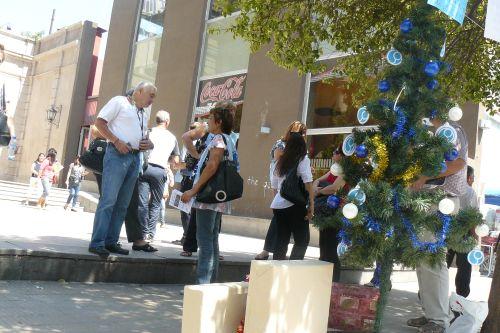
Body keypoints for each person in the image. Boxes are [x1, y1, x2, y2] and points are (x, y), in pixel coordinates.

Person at [409, 119, 468, 333]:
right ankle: (431, 313)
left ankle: (439, 319)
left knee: (432, 259)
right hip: (430, 201)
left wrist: (424, 177)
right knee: (423, 260)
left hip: (441, 201)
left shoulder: (452, 129)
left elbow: (458, 163)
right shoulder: (433, 132)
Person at [88, 81, 155, 258]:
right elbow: (100, 123)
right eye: (151, 95)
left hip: (135, 157)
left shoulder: (144, 112)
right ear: (140, 91)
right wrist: (116, 141)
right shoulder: (120, 102)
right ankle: (97, 242)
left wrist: (149, 143)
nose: (152, 100)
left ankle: (111, 241)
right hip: (117, 155)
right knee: (109, 200)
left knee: (123, 204)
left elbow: (143, 135)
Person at [180, 101, 238, 284]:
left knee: (205, 240)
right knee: (212, 239)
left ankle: (203, 285)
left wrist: (193, 190)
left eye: (211, 119)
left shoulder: (219, 140)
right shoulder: (228, 139)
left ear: (219, 121)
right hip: (218, 195)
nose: (208, 122)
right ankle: (210, 283)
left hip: (209, 195)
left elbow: (212, 165)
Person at [255, 121, 308, 260]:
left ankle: (273, 255)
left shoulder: (299, 151)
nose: (301, 135)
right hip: (282, 188)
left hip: (285, 189)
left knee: (281, 229)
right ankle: (267, 250)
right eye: (299, 132)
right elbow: (279, 165)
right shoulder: (282, 145)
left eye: (302, 133)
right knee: (284, 229)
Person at [137, 110, 180, 242]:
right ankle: (151, 233)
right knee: (156, 203)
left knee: (142, 202)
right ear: (167, 122)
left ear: (156, 120)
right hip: (160, 170)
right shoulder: (172, 137)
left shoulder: (148, 132)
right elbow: (176, 161)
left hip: (145, 168)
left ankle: (142, 233)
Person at [271, 132, 314, 260]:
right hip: (295, 204)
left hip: (278, 205)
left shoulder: (281, 160)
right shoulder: (303, 159)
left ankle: (276, 271)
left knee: (281, 240)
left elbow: (274, 184)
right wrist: (311, 204)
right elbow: (308, 183)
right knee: (302, 240)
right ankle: (293, 270)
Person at [314, 147, 346, 282]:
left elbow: (334, 188)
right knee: (323, 244)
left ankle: (333, 282)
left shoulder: (345, 171)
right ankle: (323, 280)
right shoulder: (334, 170)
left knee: (332, 248)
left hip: (336, 213)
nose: (333, 154)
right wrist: (317, 187)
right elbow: (317, 180)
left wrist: (318, 191)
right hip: (325, 212)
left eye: (336, 152)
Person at [446, 165, 478, 298]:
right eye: (473, 178)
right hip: (464, 233)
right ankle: (461, 296)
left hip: (447, 230)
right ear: (469, 178)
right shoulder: (470, 192)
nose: (473, 181)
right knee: (464, 267)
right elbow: (473, 216)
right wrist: (474, 234)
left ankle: (427, 292)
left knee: (442, 263)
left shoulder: (450, 189)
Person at [179, 122, 210, 256]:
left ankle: (212, 249)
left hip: (214, 177)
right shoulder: (207, 128)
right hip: (198, 174)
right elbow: (186, 137)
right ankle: (189, 245)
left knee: (215, 216)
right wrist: (198, 156)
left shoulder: (227, 134)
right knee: (194, 210)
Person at [173, 122, 203, 245]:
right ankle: (186, 236)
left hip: (191, 179)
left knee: (186, 209)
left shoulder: (198, 144)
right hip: (185, 177)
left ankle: (188, 237)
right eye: (190, 129)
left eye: (194, 129)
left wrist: (177, 165)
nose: (191, 132)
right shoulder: (188, 144)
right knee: (183, 209)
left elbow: (190, 164)